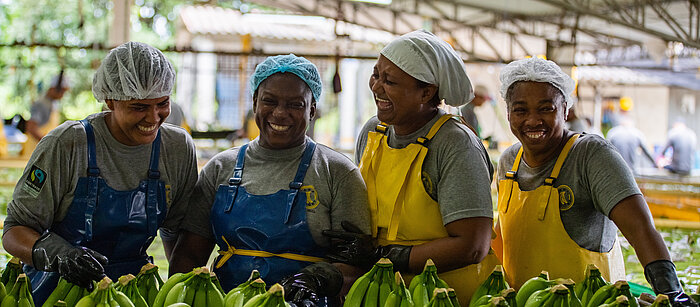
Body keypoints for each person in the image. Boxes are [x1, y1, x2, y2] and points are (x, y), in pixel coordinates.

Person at [2, 42, 198, 305]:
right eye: (139, 107)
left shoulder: (176, 148)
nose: (153, 117)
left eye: (162, 103)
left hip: (131, 293)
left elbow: (177, 231)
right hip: (56, 291)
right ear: (110, 100)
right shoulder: (67, 145)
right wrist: (59, 255)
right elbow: (15, 231)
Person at [492, 57, 697, 307]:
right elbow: (506, 236)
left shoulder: (590, 156)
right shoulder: (508, 163)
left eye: (546, 108)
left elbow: (641, 229)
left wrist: (672, 292)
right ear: (508, 112)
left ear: (566, 109)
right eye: (521, 110)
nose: (533, 120)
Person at [169, 54, 371, 305]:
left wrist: (321, 278)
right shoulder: (220, 168)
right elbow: (189, 255)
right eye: (269, 101)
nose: (280, 113)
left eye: (295, 104)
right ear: (254, 102)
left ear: (312, 110)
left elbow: (359, 264)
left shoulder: (338, 173)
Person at [324, 29, 499, 305]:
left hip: (444, 296)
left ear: (426, 92)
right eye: (376, 75)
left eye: (390, 81)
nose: (376, 86)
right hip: (383, 292)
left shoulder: (454, 144)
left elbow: (472, 246)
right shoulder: (375, 131)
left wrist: (386, 256)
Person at [21, 72, 69, 158]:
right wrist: (49, 144)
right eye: (62, 91)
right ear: (54, 88)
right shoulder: (41, 103)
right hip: (35, 150)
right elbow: (31, 128)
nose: (62, 95)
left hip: (44, 151)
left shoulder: (53, 103)